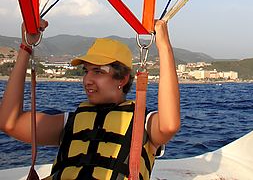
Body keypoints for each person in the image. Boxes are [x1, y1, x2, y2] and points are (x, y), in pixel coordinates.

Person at [0, 18, 180, 179]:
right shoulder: (70, 122)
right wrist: (26, 47)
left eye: (98, 72)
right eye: (86, 71)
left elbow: (169, 125)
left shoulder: (145, 124)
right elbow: (10, 122)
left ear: (122, 79)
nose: (87, 80)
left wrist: (164, 47)